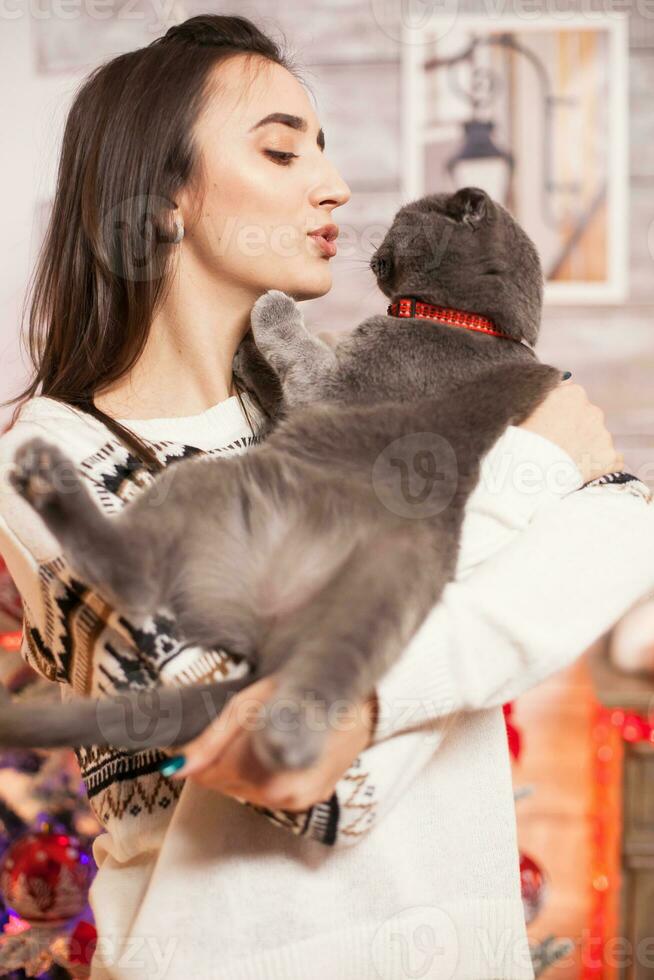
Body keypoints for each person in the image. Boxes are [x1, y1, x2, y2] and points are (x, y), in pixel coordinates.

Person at [0, 14, 653, 980]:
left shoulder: (335, 387)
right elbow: (301, 778)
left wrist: (362, 691)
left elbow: (625, 519)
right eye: (279, 148)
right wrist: (522, 485)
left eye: (327, 147)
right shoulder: (55, 464)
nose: (334, 185)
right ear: (163, 198)